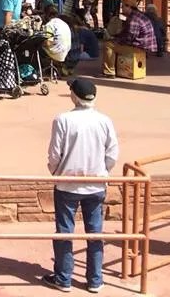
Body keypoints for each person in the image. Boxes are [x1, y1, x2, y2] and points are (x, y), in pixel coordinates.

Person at [43, 78, 119, 294]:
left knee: (64, 232)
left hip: (68, 184)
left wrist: (55, 171)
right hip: (95, 184)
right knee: (95, 232)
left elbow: (55, 154)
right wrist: (101, 171)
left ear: (74, 96)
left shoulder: (63, 120)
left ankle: (63, 278)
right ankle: (95, 280)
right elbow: (112, 153)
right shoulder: (104, 120)